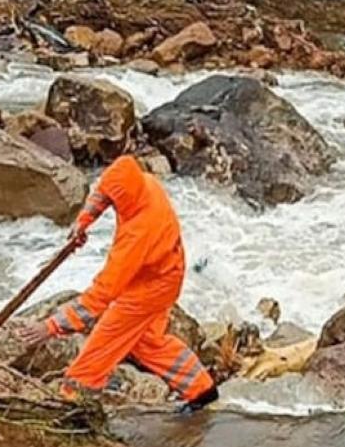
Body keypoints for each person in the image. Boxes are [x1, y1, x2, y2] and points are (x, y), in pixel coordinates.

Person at [21, 155, 218, 412]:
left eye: (114, 203)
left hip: (152, 286)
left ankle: (74, 396)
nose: (110, 204)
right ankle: (202, 390)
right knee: (148, 342)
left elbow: (102, 294)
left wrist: (52, 325)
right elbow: (104, 191)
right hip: (165, 272)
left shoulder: (138, 233)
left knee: (105, 339)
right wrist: (82, 223)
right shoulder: (144, 183)